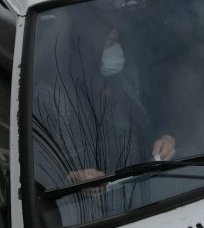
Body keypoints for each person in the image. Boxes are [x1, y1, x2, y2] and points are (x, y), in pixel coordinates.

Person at [33, 25, 176, 192]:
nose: (117, 49)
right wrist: (72, 178)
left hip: (147, 184)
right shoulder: (48, 97)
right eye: (110, 43)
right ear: (88, 49)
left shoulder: (127, 77)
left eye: (117, 41)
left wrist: (167, 137)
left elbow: (159, 116)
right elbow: (38, 166)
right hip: (87, 205)